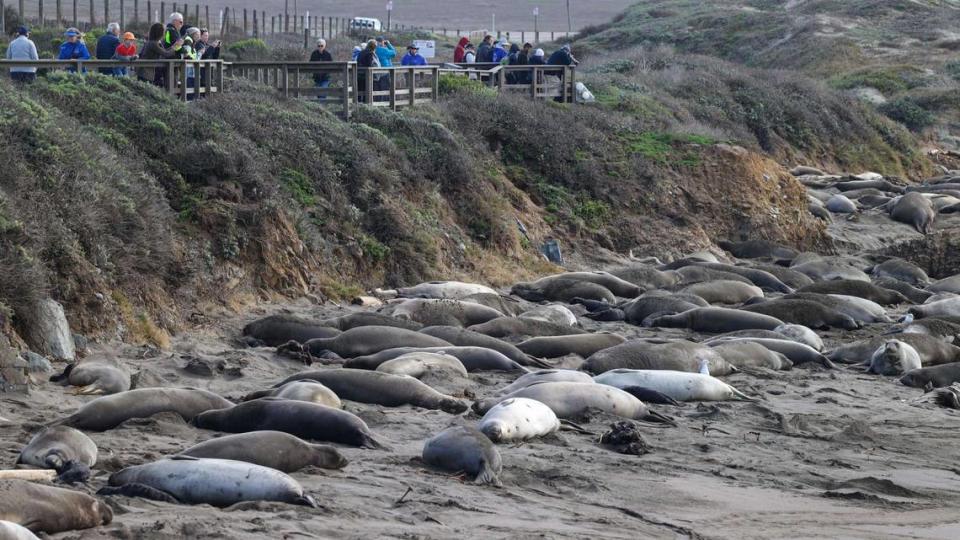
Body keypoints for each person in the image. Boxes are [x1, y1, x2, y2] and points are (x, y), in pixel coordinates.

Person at [139, 22, 182, 87]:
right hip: (146, 73)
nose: (164, 33)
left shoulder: (154, 42)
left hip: (148, 72)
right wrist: (176, 47)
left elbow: (164, 51)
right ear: (159, 32)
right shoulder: (153, 43)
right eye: (164, 31)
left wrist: (175, 45)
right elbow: (166, 54)